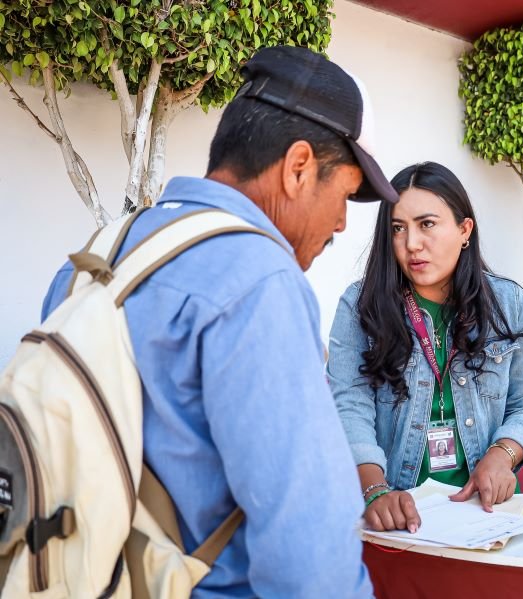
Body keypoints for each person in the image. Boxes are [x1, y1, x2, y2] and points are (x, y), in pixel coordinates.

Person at [41, 46, 398, 597]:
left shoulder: (98, 257)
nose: (343, 223)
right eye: (346, 194)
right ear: (299, 168)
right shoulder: (260, 283)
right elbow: (308, 553)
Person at [327, 161, 523, 533]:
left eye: (426, 224)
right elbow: (349, 406)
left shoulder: (509, 305)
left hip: (487, 513)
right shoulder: (361, 306)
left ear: (465, 230)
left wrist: (503, 454)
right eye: (398, 228)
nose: (411, 243)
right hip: (398, 514)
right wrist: (374, 490)